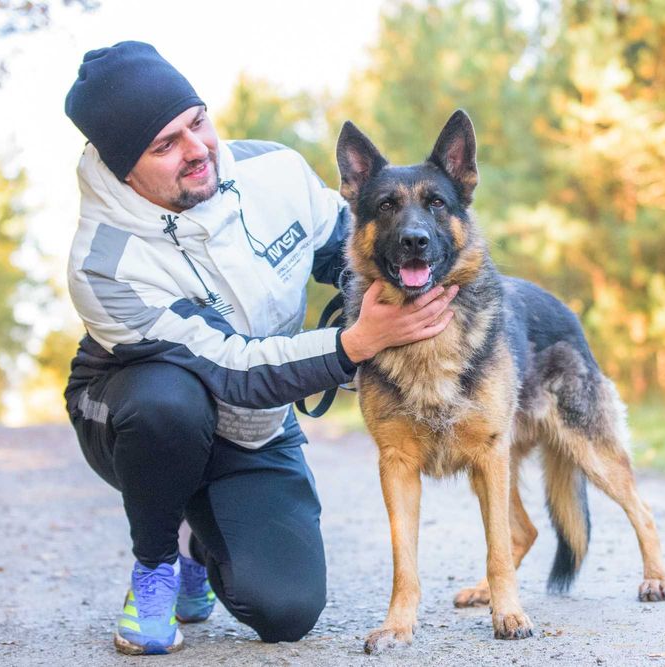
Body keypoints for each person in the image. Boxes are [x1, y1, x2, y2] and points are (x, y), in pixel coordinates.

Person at [62, 41, 457, 655]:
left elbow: (350, 256)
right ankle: (157, 565)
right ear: (122, 169)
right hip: (138, 414)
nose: (198, 149)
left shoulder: (276, 171)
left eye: (197, 122)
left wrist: (397, 298)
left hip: (254, 425)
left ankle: (203, 542)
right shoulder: (103, 264)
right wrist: (356, 342)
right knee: (168, 401)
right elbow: (232, 369)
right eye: (165, 145)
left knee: (285, 610)